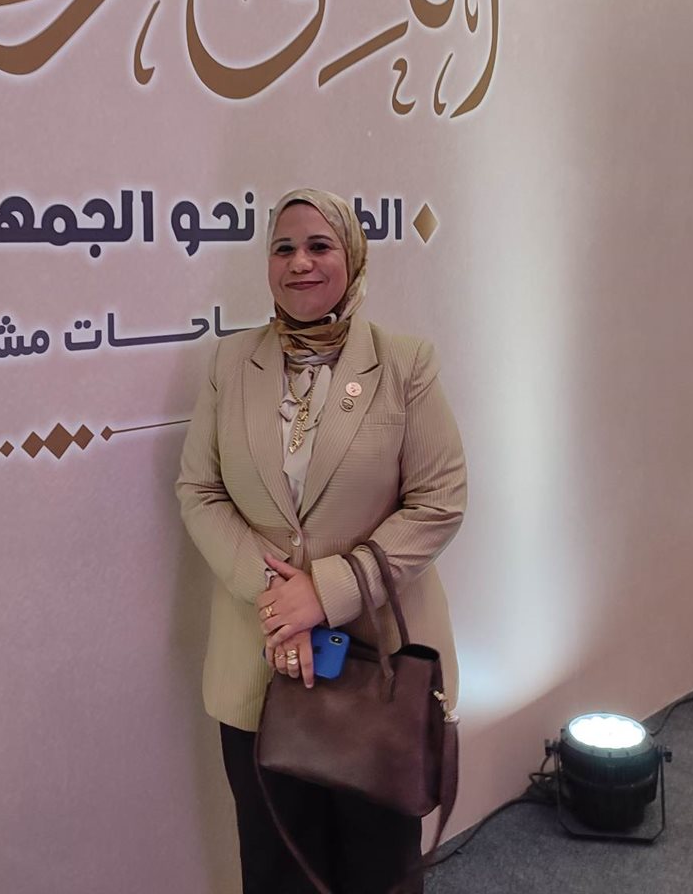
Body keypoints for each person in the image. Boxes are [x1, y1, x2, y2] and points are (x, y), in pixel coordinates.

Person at [176, 189, 466, 894]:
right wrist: (281, 599)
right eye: (283, 248)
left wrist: (328, 592)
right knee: (277, 868)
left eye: (318, 246)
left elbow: (439, 501)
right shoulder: (229, 363)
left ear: (352, 256)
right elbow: (199, 490)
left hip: (376, 674)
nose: (299, 263)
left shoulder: (404, 363)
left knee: (379, 869)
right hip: (260, 664)